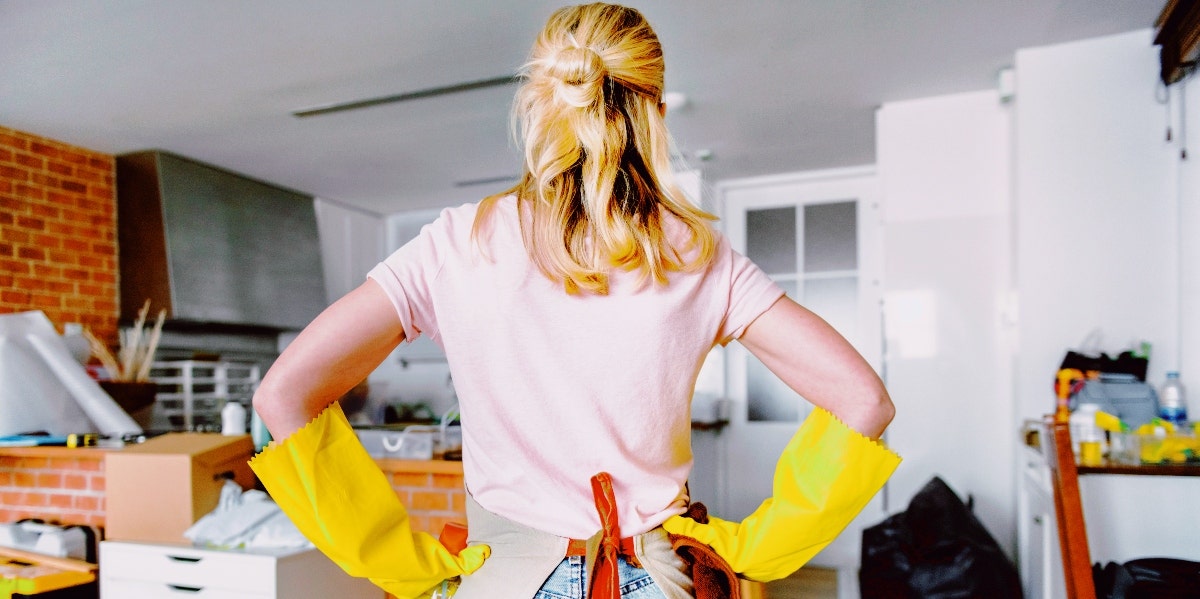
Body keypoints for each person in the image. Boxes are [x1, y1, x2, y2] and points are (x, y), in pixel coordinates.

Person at [250, 3, 898, 598]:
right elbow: (864, 400)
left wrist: (399, 558)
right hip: (659, 576)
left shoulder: (453, 245)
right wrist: (755, 548)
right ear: (656, 113)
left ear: (536, 102)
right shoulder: (698, 257)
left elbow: (284, 395)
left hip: (503, 581)